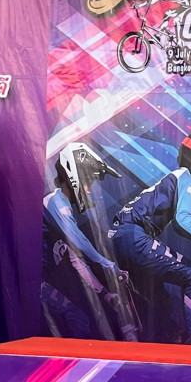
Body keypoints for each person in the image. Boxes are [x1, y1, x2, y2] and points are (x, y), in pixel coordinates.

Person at [109, 133, 191, 342]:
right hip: (133, 235)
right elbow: (183, 220)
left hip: (122, 237)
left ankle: (168, 343)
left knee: (160, 298)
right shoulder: (187, 178)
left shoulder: (180, 180)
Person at [43, 142, 139, 341]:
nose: (88, 190)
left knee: (80, 321)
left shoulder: (61, 207)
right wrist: (108, 264)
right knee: (78, 320)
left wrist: (104, 293)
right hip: (35, 283)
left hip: (43, 280)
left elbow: (76, 259)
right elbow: (79, 240)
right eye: (88, 182)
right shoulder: (55, 204)